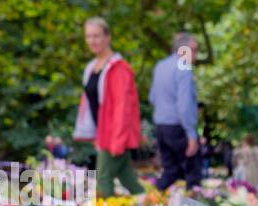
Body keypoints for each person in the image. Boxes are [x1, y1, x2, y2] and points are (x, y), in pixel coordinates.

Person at [73, 17, 144, 195]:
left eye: (97, 36)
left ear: (108, 37)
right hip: (102, 132)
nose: (92, 40)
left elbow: (123, 107)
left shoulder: (118, 68)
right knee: (127, 178)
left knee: (103, 179)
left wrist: (118, 139)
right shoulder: (91, 68)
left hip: (114, 134)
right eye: (88, 36)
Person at [149, 31, 202, 191]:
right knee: (193, 173)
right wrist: (191, 133)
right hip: (178, 127)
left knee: (170, 171)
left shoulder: (160, 66)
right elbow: (184, 104)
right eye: (194, 50)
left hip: (161, 127)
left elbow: (152, 97)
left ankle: (150, 202)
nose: (196, 55)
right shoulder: (184, 67)